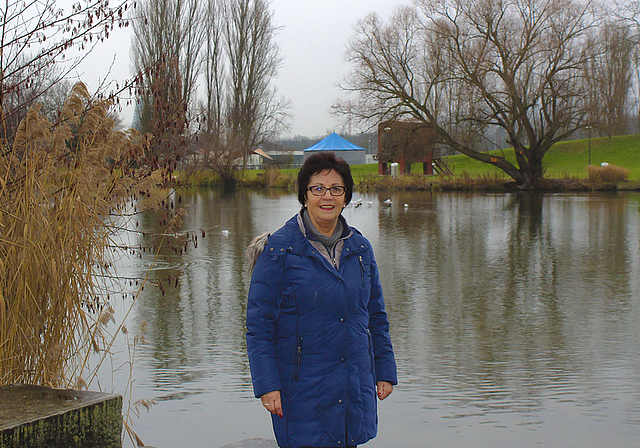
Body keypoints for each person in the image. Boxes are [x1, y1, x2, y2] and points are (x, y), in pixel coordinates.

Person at [245, 152, 397, 448]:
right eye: (318, 189)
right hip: (302, 390)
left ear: (346, 196)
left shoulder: (361, 249)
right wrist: (267, 385)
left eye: (336, 189)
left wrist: (385, 371)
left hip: (352, 385)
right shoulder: (278, 251)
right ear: (304, 195)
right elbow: (259, 327)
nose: (327, 197)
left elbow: (376, 316)